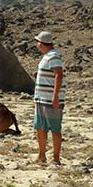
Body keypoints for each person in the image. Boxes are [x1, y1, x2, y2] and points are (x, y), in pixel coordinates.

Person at [33, 31, 65, 165]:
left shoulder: (54, 56)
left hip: (50, 100)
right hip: (41, 99)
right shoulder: (47, 56)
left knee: (55, 128)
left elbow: (59, 75)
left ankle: (56, 158)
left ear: (41, 43)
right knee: (40, 127)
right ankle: (41, 156)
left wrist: (55, 96)